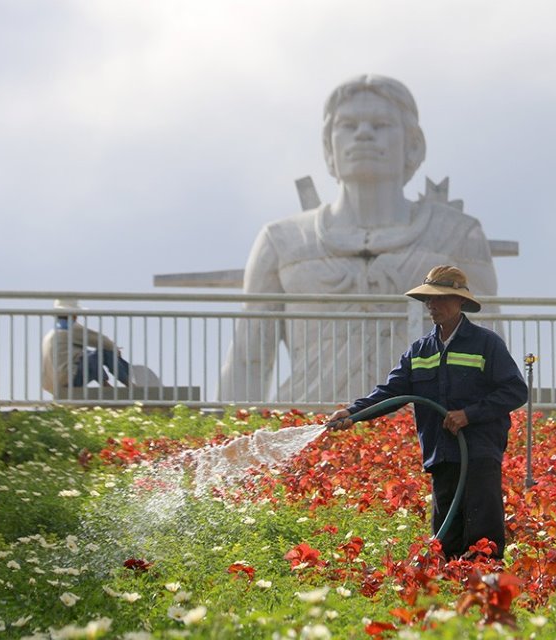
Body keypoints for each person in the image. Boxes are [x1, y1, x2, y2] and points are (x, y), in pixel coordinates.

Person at [220, 74, 498, 402]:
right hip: (309, 425)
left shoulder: (458, 234)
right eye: (348, 125)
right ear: (328, 146)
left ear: (413, 144)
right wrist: (224, 434)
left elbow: (490, 349)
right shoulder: (282, 240)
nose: (364, 134)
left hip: (426, 426)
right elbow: (248, 358)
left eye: (380, 124)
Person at [326, 266, 527, 559]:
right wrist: (352, 412)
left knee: (482, 535)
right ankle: (451, 595)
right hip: (442, 454)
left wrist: (468, 414)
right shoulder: (420, 351)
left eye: (442, 298)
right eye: (429, 300)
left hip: (479, 453)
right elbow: (391, 393)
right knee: (446, 538)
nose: (433, 306)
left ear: (460, 302)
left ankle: (484, 595)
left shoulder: (486, 344)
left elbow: (515, 391)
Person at [41, 299, 131, 396]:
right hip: (68, 379)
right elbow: (102, 341)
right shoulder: (70, 328)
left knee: (88, 355)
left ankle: (106, 385)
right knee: (104, 352)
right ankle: (129, 383)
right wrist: (115, 349)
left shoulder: (51, 333)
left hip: (52, 385)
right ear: (74, 314)